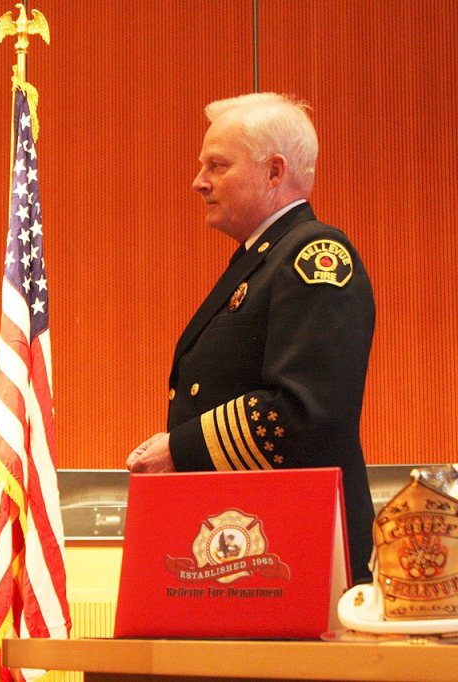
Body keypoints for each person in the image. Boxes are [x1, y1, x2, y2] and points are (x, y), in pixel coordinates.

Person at [126, 93, 376, 584]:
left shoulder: (313, 255)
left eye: (217, 165)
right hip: (253, 547)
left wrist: (181, 448)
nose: (198, 182)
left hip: (300, 555)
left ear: (274, 172)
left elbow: (307, 412)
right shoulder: (262, 260)